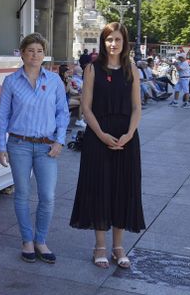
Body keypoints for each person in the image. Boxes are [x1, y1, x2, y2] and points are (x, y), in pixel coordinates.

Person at [70, 22, 145, 270]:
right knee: (100, 188)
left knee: (123, 188)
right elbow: (86, 107)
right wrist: (101, 135)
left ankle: (118, 246)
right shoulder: (92, 69)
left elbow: (137, 107)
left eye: (118, 40)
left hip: (126, 138)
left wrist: (129, 133)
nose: (113, 44)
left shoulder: (131, 69)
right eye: (109, 39)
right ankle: (100, 246)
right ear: (103, 42)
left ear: (125, 43)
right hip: (97, 136)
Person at [0, 33, 70, 264]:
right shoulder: (11, 81)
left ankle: (41, 240)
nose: (35, 55)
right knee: (23, 194)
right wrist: (0, 146)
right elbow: (2, 116)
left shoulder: (55, 80)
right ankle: (27, 240)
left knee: (47, 196)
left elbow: (63, 112)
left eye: (39, 51)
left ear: (44, 54)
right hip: (18, 145)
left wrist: (59, 140)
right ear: (22, 53)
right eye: (30, 51)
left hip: (47, 146)